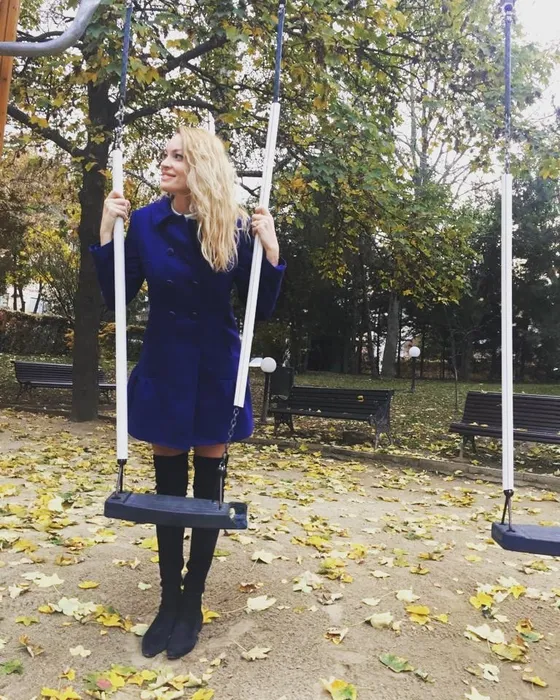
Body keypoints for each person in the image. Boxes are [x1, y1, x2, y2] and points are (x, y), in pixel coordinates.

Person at [91, 126, 285, 660]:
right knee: (168, 490)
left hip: (216, 369)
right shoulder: (146, 222)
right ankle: (169, 599)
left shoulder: (233, 225)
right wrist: (107, 231)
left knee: (206, 495)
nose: (165, 162)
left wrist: (269, 249)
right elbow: (118, 296)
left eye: (177, 156)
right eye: (164, 154)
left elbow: (261, 306)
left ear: (201, 166)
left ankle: (193, 598)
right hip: (165, 366)